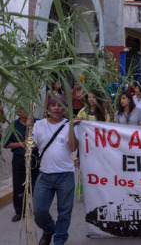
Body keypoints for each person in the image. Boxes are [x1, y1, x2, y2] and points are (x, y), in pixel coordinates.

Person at [33, 95, 79, 245]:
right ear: (48, 107)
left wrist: (71, 126)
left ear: (65, 108)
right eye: (53, 105)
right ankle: (49, 229)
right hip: (44, 175)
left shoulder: (70, 124)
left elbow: (72, 147)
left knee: (64, 212)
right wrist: (28, 129)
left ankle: (59, 239)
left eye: (60, 105)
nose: (57, 108)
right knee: (39, 211)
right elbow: (30, 145)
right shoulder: (38, 125)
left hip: (65, 175)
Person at [3, 109, 39, 222]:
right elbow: (6, 144)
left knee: (36, 183)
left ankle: (36, 209)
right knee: (18, 184)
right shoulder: (13, 125)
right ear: (18, 113)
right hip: (19, 158)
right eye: (23, 110)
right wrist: (22, 144)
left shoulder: (38, 123)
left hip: (34, 157)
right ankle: (20, 211)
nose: (27, 112)